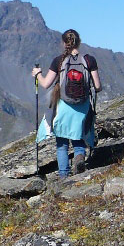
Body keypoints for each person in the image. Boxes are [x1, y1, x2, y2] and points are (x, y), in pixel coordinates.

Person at [31, 29, 101, 178]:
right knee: (78, 139)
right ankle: (80, 158)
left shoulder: (59, 61)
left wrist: (37, 74)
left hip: (63, 107)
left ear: (64, 43)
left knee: (61, 144)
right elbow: (98, 87)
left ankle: (64, 176)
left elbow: (45, 84)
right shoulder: (89, 60)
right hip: (82, 107)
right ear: (79, 42)